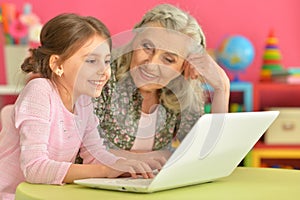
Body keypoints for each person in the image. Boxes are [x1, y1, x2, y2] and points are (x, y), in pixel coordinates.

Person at [0, 13, 154, 199]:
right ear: (57, 64)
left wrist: (124, 166)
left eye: (106, 61)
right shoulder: (39, 91)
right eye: (91, 61)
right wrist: (105, 170)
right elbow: (34, 168)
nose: (104, 71)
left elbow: (94, 154)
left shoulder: (83, 101)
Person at [93, 4, 230, 160]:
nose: (151, 64)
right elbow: (79, 151)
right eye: (147, 47)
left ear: (183, 67)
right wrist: (147, 158)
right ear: (133, 40)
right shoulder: (101, 77)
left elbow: (207, 154)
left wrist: (222, 89)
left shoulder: (180, 92)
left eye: (168, 59)